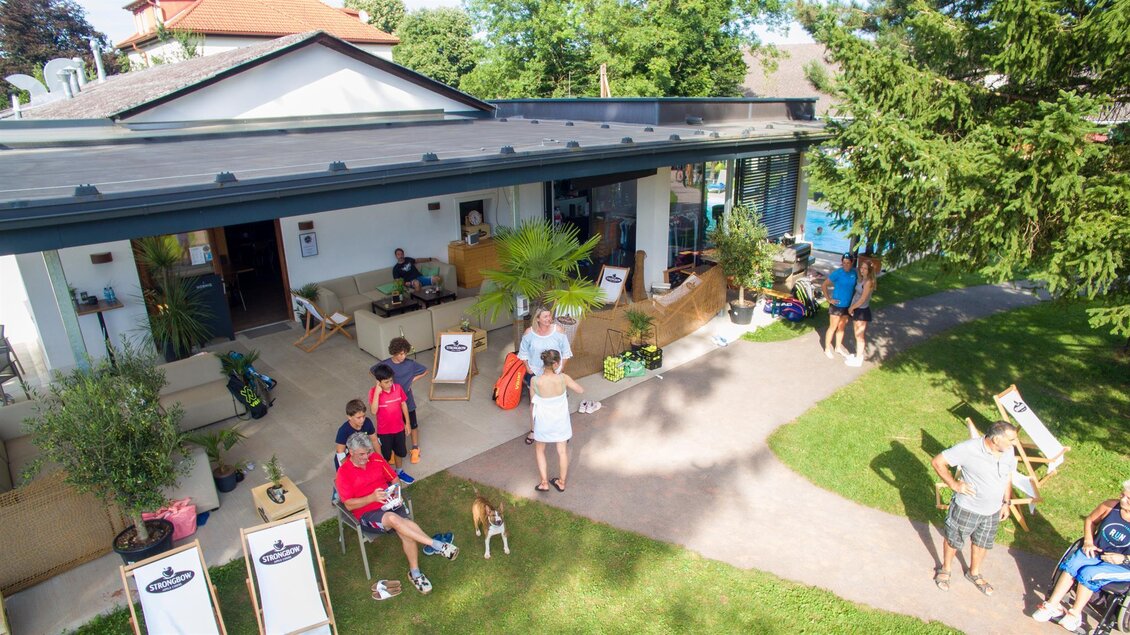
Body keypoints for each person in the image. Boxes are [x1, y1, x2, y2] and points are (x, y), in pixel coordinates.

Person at [335, 432, 458, 594]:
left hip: (389, 503)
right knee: (395, 519)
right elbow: (349, 504)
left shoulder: (377, 459)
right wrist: (371, 498)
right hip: (367, 514)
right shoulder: (343, 473)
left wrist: (396, 493)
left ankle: (415, 574)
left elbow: (394, 479)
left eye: (368, 452)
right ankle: (435, 545)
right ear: (351, 452)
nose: (367, 457)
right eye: (362, 454)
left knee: (407, 528)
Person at [930, 420, 1019, 596]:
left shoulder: (1008, 451)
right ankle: (946, 569)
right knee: (954, 539)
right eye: (1011, 439)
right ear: (995, 439)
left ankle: (974, 573)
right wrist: (954, 485)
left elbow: (1007, 477)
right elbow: (938, 462)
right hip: (967, 507)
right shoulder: (969, 449)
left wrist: (1006, 502)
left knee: (982, 542)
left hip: (992, 510)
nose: (1014, 443)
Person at [1032, 479, 1130, 631]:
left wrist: (1124, 558)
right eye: (1123, 495)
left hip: (1124, 566)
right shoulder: (1110, 506)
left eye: (1128, 498)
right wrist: (1089, 542)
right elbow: (1090, 520)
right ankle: (1052, 606)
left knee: (1089, 573)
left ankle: (1074, 614)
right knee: (1073, 564)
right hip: (1098, 552)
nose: (1123, 499)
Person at [517, 305, 572, 444]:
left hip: (555, 373)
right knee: (535, 404)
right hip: (536, 373)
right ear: (538, 319)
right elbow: (523, 352)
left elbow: (566, 352)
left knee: (558, 404)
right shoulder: (529, 333)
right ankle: (534, 430)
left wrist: (559, 369)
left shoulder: (558, 330)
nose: (549, 319)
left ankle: (561, 432)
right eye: (545, 316)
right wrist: (528, 368)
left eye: (549, 316)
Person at [530, 349, 583, 493]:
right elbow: (580, 390)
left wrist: (532, 426)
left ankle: (544, 483)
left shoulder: (535, 381)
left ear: (544, 363)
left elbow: (532, 402)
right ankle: (561, 482)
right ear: (556, 363)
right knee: (562, 452)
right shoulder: (563, 378)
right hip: (560, 422)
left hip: (543, 422)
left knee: (540, 450)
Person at [373, 337, 428, 464]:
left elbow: (425, 371)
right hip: (391, 402)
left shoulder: (410, 364)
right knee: (394, 427)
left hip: (406, 400)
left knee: (413, 424)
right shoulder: (385, 364)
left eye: (405, 353)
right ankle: (393, 451)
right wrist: (379, 384)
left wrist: (411, 381)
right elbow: (373, 371)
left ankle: (415, 448)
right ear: (394, 352)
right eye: (400, 354)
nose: (403, 356)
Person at [369, 364, 413, 483]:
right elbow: (373, 411)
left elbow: (403, 404)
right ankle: (387, 475)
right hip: (384, 432)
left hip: (399, 429)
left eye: (391, 381)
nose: (390, 384)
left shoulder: (398, 388)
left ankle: (399, 472)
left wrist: (407, 423)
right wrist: (377, 393)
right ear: (378, 382)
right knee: (385, 456)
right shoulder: (373, 392)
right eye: (386, 382)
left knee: (399, 452)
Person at [821, 253, 857, 360]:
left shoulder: (854, 274)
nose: (846, 265)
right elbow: (824, 285)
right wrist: (829, 299)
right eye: (844, 263)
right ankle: (827, 348)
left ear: (852, 263)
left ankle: (837, 347)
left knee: (841, 327)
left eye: (848, 263)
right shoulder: (837, 273)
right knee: (833, 327)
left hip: (847, 306)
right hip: (836, 305)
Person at [845, 258, 877, 367]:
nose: (862, 270)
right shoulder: (862, 279)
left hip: (862, 310)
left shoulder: (868, 282)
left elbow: (863, 299)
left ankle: (859, 359)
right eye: (861, 268)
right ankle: (858, 354)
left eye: (865, 268)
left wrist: (851, 308)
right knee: (856, 334)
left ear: (869, 270)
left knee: (859, 335)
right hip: (857, 308)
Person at [334, 399, 379, 469]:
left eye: (363, 416)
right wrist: (348, 469)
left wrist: (381, 458)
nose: (362, 420)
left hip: (361, 455)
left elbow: (374, 440)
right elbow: (340, 453)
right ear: (349, 417)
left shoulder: (368, 422)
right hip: (347, 458)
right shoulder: (343, 430)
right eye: (358, 417)